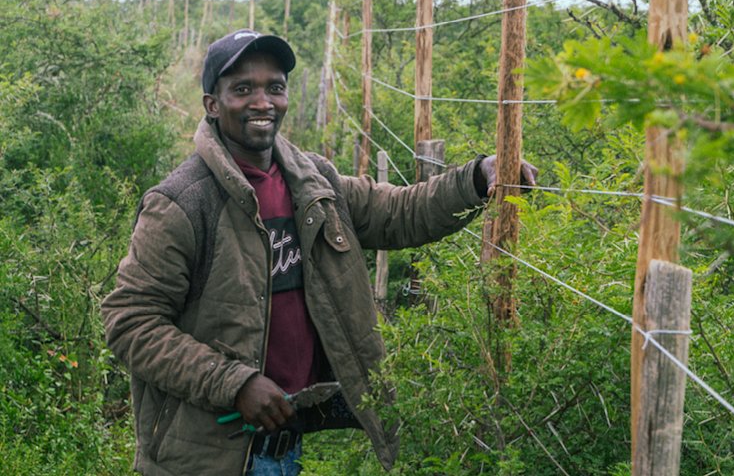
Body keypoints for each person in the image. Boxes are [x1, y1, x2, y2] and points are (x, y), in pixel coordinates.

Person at [102, 29, 537, 475]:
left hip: (290, 440)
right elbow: (130, 321)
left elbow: (399, 212)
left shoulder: (312, 180)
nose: (262, 102)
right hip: (212, 452)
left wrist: (478, 178)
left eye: (274, 88)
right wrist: (234, 383)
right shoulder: (182, 204)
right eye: (243, 89)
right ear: (213, 104)